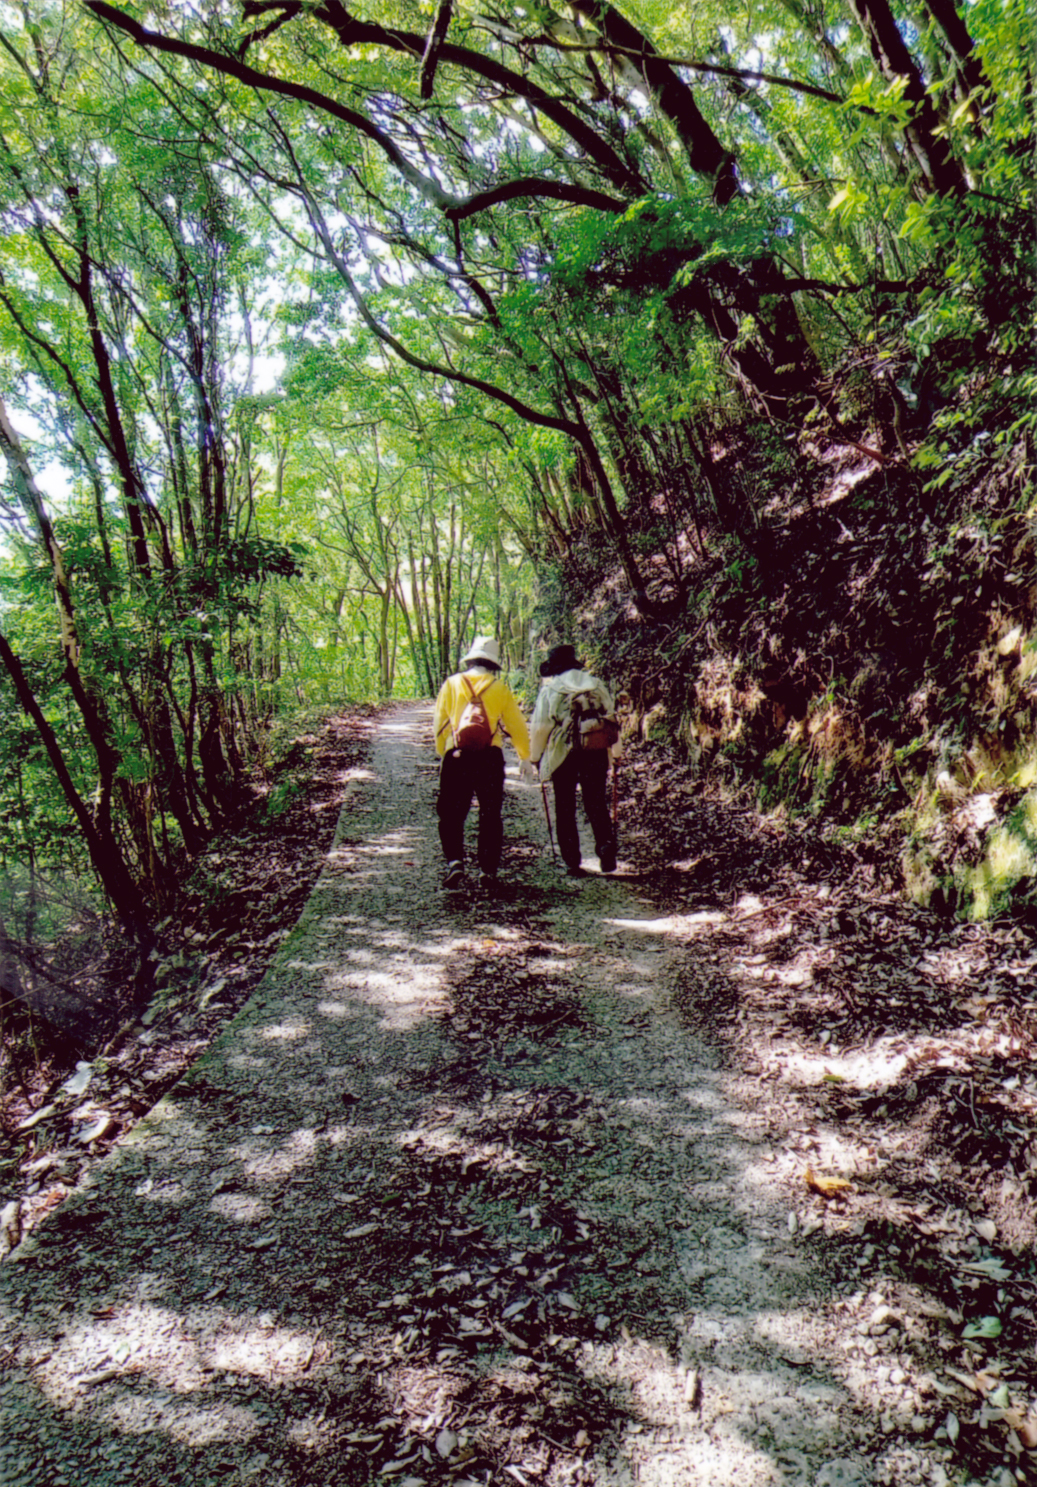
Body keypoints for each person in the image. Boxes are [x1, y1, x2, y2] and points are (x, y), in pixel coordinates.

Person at [433, 635, 533, 888]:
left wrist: (443, 752)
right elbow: (516, 725)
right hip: (489, 756)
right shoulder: (499, 687)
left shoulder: (452, 683)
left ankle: (455, 862)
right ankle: (487, 871)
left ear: (471, 658)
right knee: (490, 814)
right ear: (492, 664)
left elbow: (439, 723)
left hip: (457, 755)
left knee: (451, 813)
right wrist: (525, 756)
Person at [530, 644, 619, 878]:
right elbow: (611, 718)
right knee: (596, 802)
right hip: (595, 749)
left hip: (563, 752)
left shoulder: (551, 689)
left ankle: (572, 860)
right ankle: (605, 847)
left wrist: (535, 757)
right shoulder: (596, 685)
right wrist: (616, 753)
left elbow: (541, 727)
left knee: (565, 805)